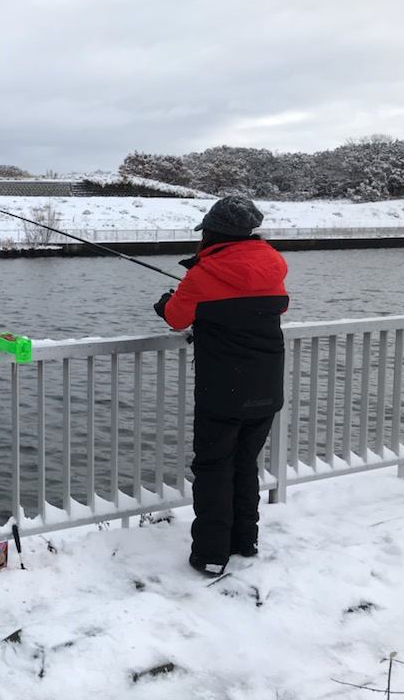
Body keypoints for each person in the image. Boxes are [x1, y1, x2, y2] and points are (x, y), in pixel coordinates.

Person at [153, 196, 289, 577]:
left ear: (213, 233)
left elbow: (176, 317)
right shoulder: (272, 265)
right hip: (267, 387)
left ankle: (211, 554)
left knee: (214, 469)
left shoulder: (203, 273)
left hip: (223, 392)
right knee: (245, 464)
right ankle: (245, 541)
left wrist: (165, 302)